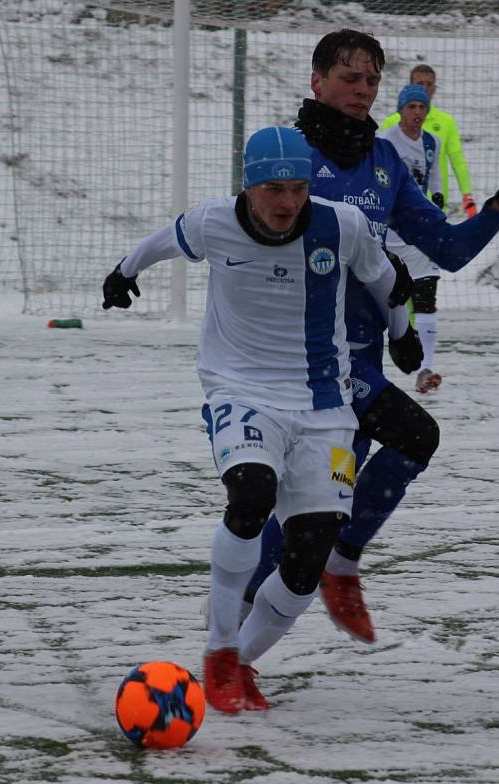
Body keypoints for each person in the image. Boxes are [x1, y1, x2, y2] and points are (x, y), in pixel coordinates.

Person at [242, 29, 499, 645]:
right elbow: (253, 252)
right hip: (305, 364)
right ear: (317, 81)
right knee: (384, 457)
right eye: (349, 77)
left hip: (360, 361)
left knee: (318, 508)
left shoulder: (385, 162)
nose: (363, 90)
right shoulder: (285, 157)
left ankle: (246, 637)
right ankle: (278, 608)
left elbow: (445, 250)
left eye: (371, 80)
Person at [101, 126, 420, 713]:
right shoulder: (213, 222)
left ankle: (243, 663)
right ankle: (220, 651)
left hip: (324, 404)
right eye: (274, 189)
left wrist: (403, 335)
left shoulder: (341, 225)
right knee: (251, 495)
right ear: (248, 187)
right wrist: (124, 273)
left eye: (297, 188)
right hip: (240, 390)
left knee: (309, 554)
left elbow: (383, 279)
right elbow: (162, 241)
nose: (287, 202)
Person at [379, 83, 445, 394]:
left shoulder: (431, 142)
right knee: (387, 301)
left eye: (422, 107)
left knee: (426, 293)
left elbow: (433, 178)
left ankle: (425, 368)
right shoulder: (385, 142)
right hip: (388, 233)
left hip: (418, 231)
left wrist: (438, 202)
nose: (417, 113)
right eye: (412, 107)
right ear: (400, 110)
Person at [380, 64, 478, 221]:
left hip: (434, 204)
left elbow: (457, 159)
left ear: (435, 88)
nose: (425, 88)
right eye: (420, 84)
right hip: (397, 205)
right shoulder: (390, 124)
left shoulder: (446, 122)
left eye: (429, 84)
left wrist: (467, 194)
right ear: (410, 85)